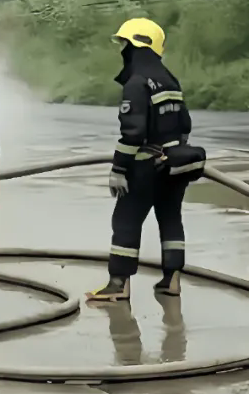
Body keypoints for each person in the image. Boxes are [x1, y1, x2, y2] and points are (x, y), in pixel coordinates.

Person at [87, 18, 205, 302]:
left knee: (126, 219)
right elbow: (185, 124)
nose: (122, 50)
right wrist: (171, 153)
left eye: (125, 44)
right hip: (175, 164)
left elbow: (133, 132)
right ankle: (172, 280)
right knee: (171, 218)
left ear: (138, 46)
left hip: (144, 166)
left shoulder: (137, 83)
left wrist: (119, 168)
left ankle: (118, 284)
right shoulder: (170, 79)